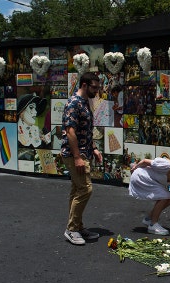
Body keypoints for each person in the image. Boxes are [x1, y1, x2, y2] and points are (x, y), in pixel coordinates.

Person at [61, 72, 103, 245]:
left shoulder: (85, 103)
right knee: (85, 189)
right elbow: (70, 132)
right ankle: (71, 230)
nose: (97, 90)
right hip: (74, 155)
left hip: (83, 153)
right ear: (84, 85)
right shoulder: (74, 103)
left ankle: (77, 226)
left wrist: (93, 148)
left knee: (77, 190)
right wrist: (77, 157)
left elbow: (84, 130)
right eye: (94, 87)